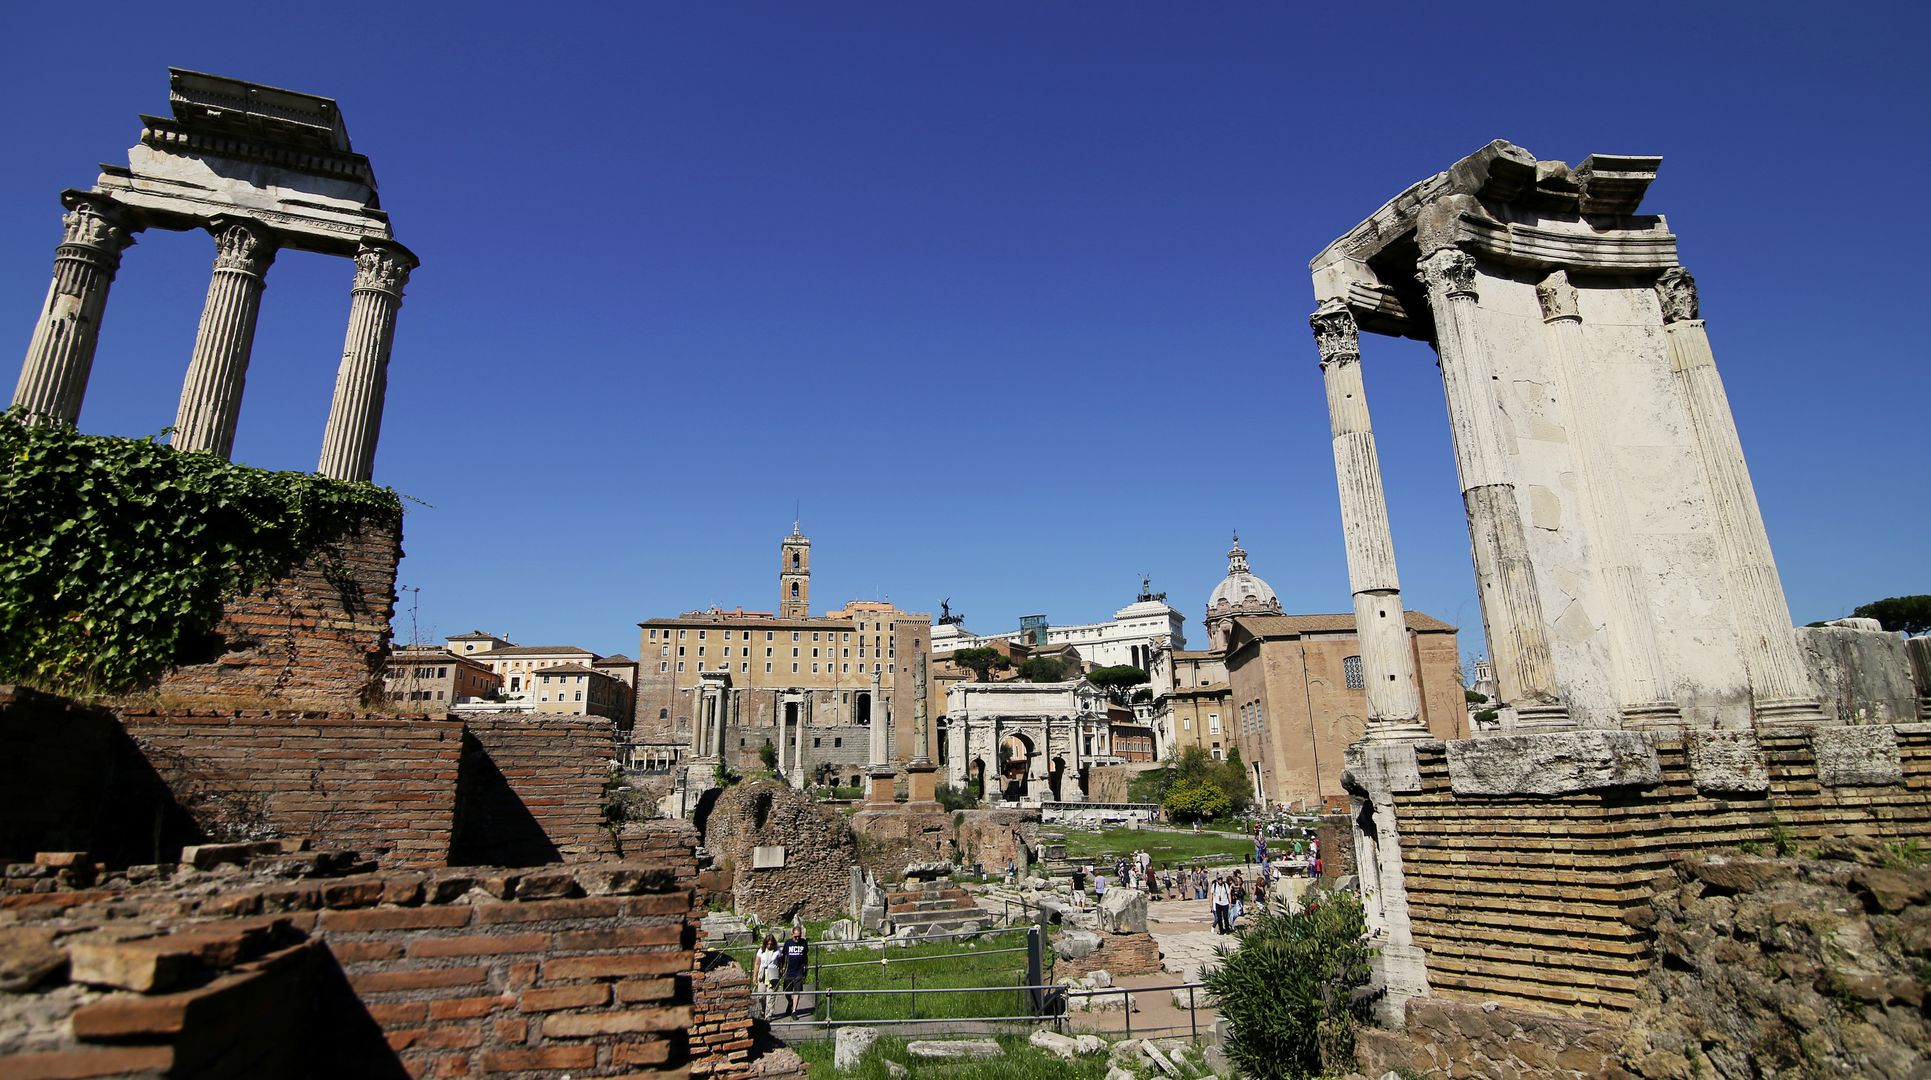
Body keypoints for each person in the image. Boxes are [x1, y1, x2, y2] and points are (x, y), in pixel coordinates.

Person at [781, 925, 810, 1018]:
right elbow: (783, 956)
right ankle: (790, 1002)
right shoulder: (787, 943)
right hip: (789, 971)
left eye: (799, 936)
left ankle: (794, 1011)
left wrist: (806, 968)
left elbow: (805, 956)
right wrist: (781, 968)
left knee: (797, 991)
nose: (797, 938)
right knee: (787, 992)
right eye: (795, 936)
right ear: (792, 934)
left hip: (799, 971)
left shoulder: (804, 943)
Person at [755, 934, 781, 1015]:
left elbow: (781, 962)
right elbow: (757, 964)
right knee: (761, 996)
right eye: (768, 944)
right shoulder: (761, 951)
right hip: (762, 975)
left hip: (772, 975)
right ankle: (763, 1010)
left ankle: (769, 1014)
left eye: (771, 944)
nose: (769, 945)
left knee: (771, 995)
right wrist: (754, 977)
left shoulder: (777, 951)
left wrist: (780, 972)